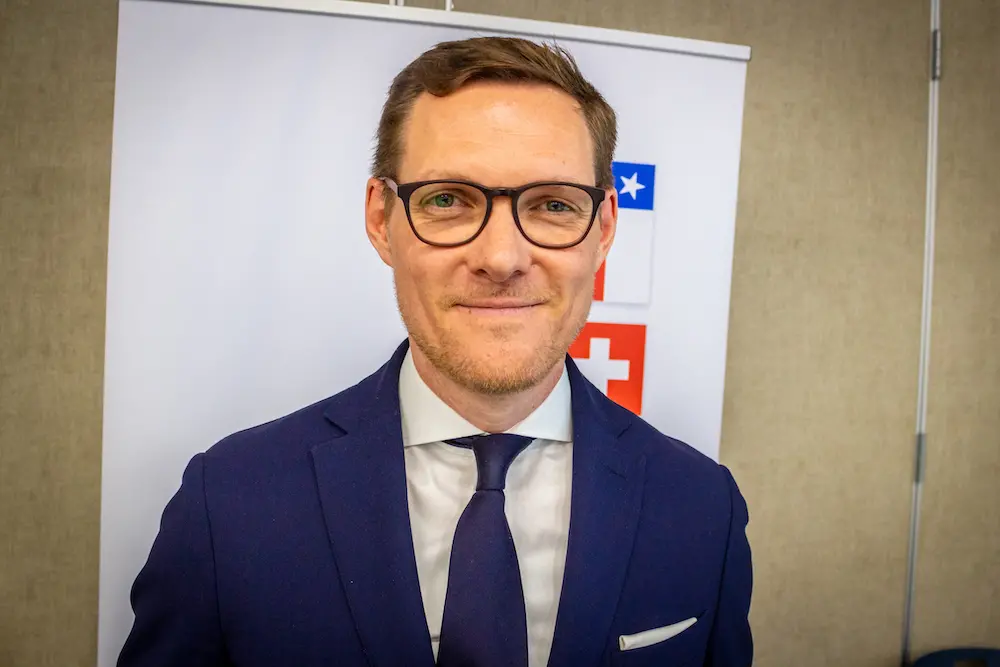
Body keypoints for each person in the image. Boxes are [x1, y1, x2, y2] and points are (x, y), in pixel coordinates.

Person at [118, 36, 752, 667]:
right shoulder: (229, 504)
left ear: (605, 227)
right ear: (381, 219)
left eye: (553, 205)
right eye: (448, 199)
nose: (501, 258)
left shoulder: (702, 509)